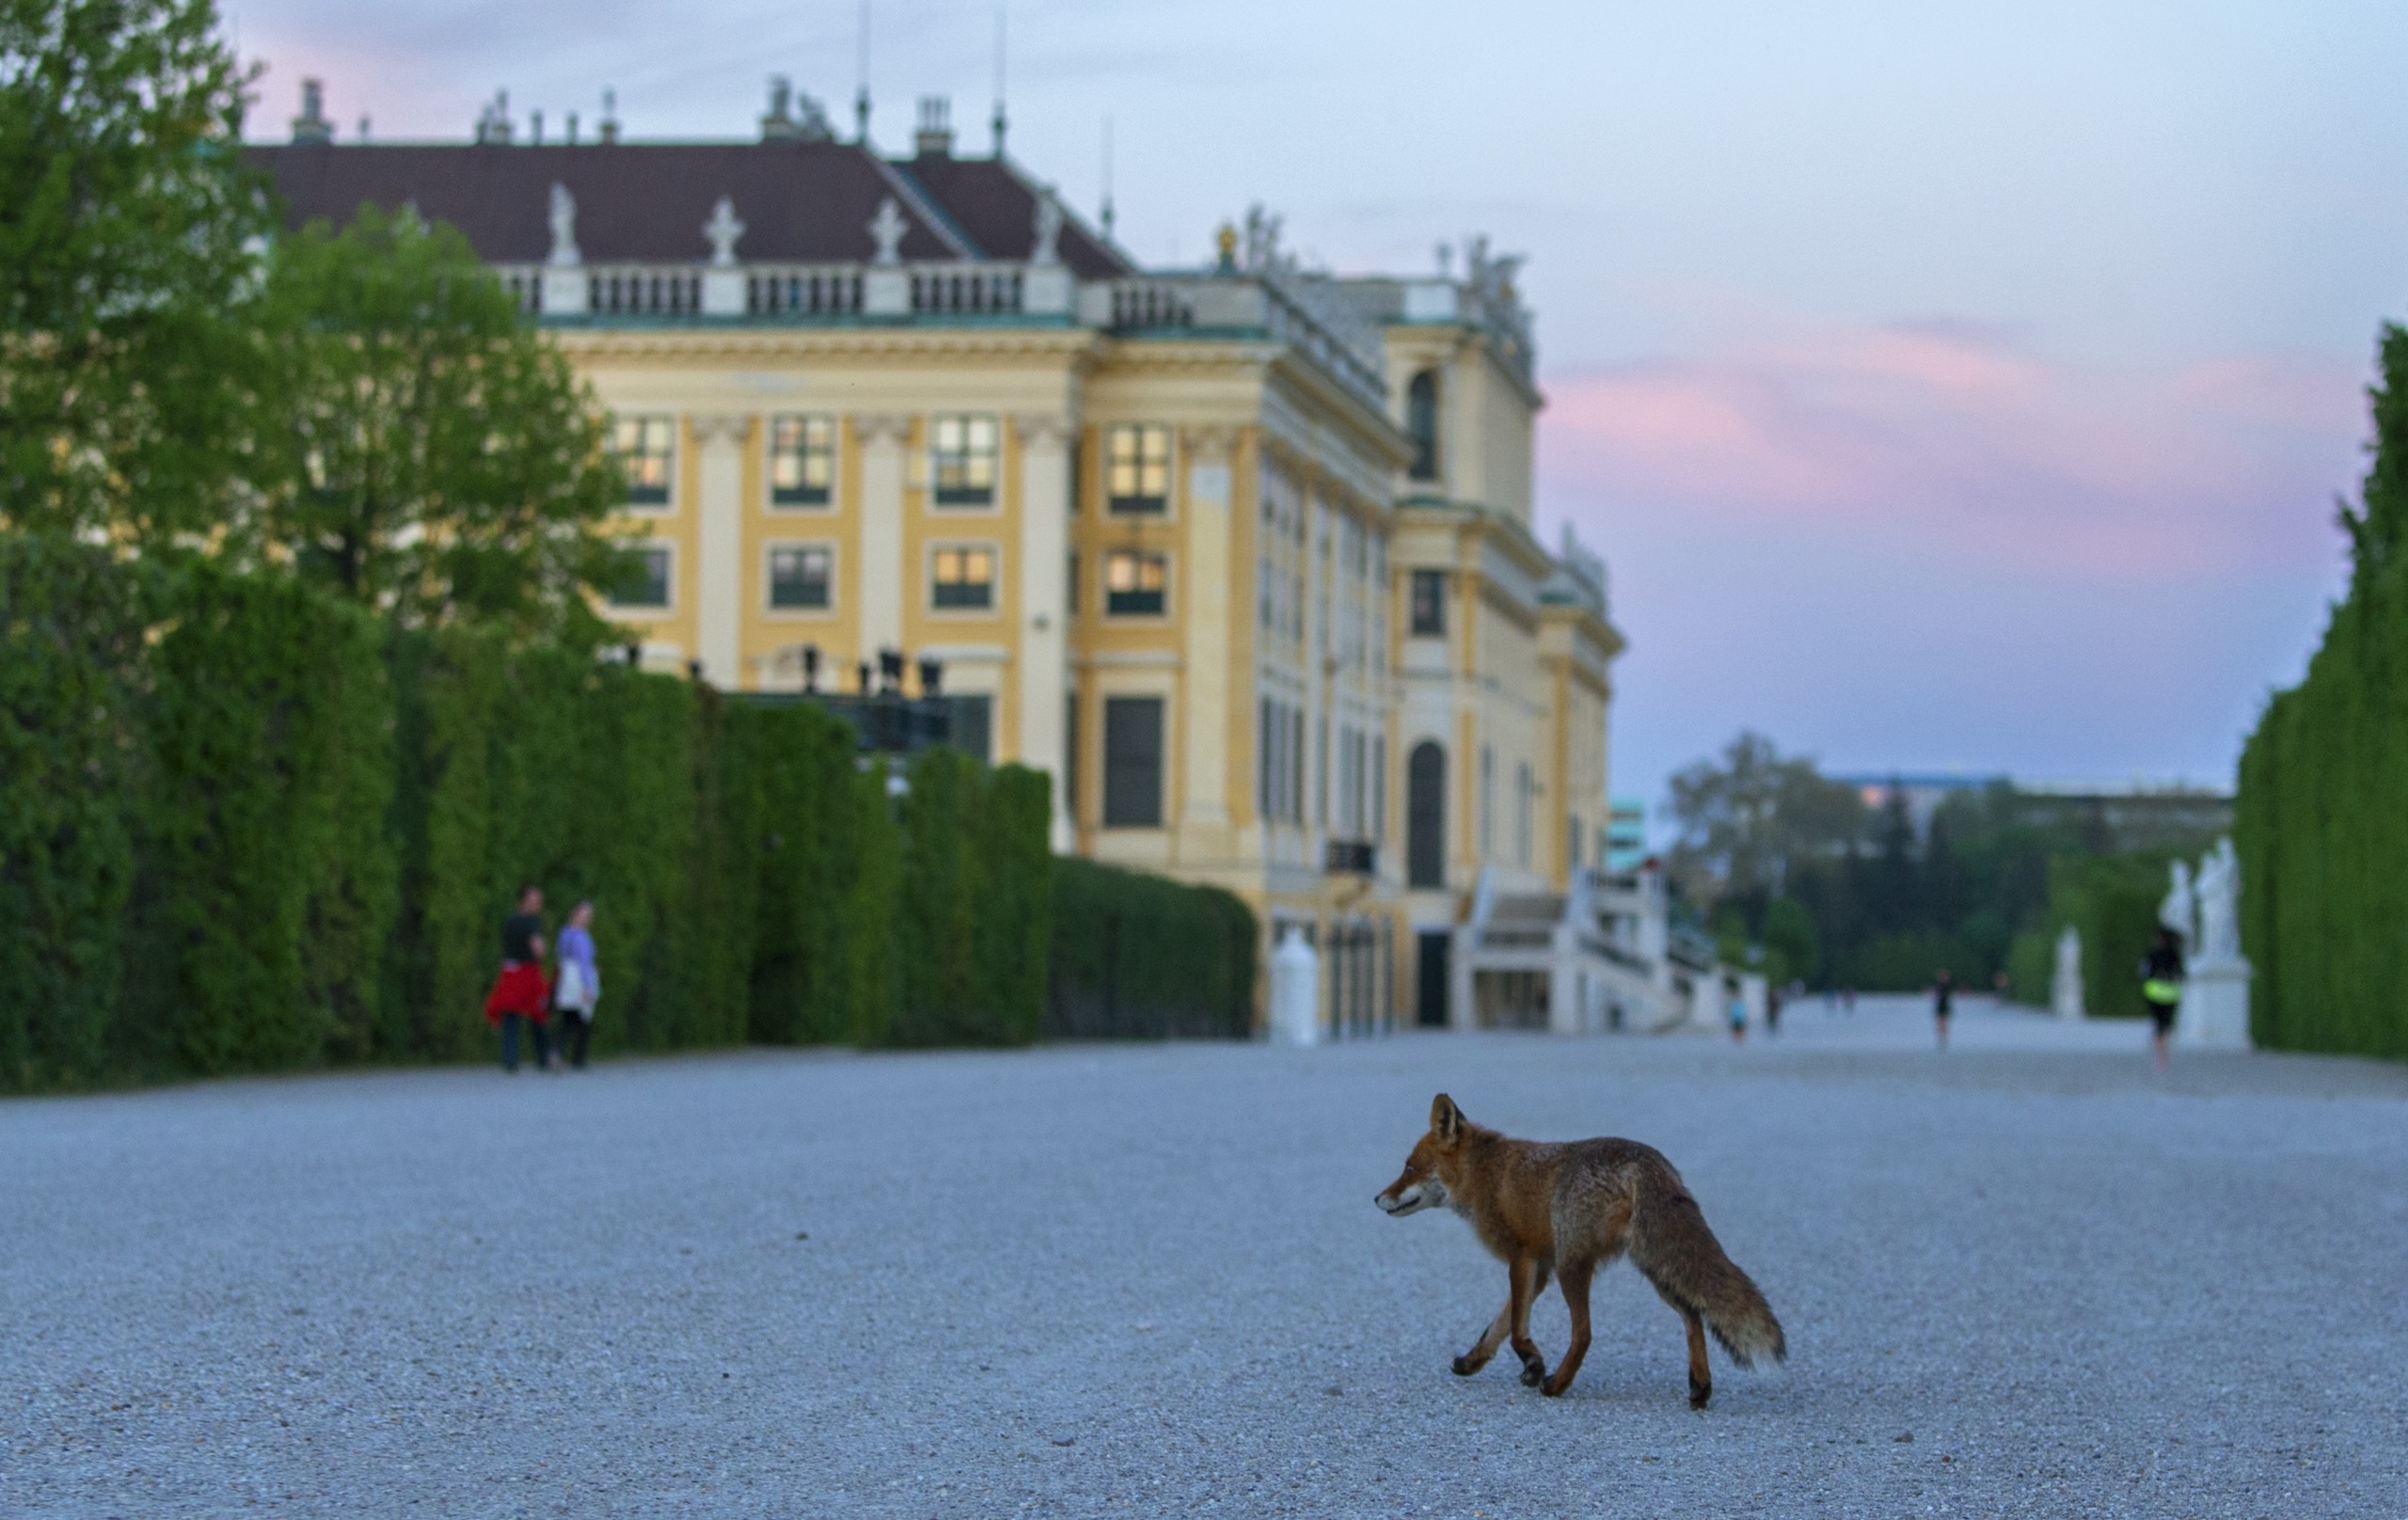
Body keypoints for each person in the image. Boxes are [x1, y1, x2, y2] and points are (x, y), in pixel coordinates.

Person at [483, 885, 552, 1073]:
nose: (537, 904)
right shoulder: (532, 923)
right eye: (534, 901)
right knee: (538, 1013)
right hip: (528, 973)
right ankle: (543, 1057)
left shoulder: (509, 921)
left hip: (509, 971)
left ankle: (510, 1059)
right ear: (524, 901)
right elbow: (539, 949)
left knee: (510, 1014)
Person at [554, 900, 600, 1069]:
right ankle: (579, 1058)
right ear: (576, 914)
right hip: (581, 980)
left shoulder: (564, 934)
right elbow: (583, 964)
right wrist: (588, 986)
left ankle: (557, 1051)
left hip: (567, 978)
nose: (587, 918)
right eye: (585, 914)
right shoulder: (581, 937)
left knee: (567, 1019)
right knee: (584, 1018)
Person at [2140, 927, 2184, 1071]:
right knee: (2164, 1025)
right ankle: (2162, 1055)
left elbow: (2145, 972)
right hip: (2168, 994)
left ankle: (2160, 1054)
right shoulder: (2173, 954)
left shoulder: (2152, 954)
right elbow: (2180, 973)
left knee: (2162, 1025)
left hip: (2157, 993)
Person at [1931, 968, 1955, 1052]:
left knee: (1944, 1022)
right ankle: (1941, 1037)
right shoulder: (1939, 985)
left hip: (1944, 1004)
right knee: (1940, 1022)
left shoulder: (1946, 986)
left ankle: (1944, 1038)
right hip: (1940, 1005)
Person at [1724, 977, 1746, 1045]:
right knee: (1736, 1028)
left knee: (1738, 1028)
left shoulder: (1737, 1002)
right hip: (1736, 1017)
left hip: (1738, 1017)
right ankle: (1737, 1039)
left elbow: (1741, 1010)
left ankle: (1738, 1039)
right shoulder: (1735, 1002)